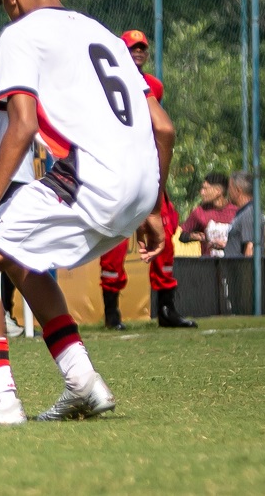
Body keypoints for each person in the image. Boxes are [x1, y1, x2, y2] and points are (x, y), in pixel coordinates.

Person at [0, 0, 175, 425]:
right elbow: (163, 128)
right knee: (21, 259)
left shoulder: (21, 33)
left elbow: (21, 127)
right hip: (142, 183)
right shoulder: (104, 34)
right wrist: (151, 207)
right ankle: (84, 385)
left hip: (91, 175)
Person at [98, 29, 195, 330]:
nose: (138, 52)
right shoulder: (105, 82)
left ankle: (167, 309)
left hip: (148, 167)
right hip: (119, 169)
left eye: (142, 48)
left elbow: (158, 130)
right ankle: (111, 313)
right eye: (132, 47)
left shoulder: (153, 85)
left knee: (165, 233)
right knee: (115, 242)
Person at [0, 70, 36, 338]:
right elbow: (25, 115)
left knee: (18, 251)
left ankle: (7, 311)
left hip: (22, 177)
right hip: (3, 176)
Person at [178, 172, 237, 257]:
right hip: (209, 266)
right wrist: (193, 236)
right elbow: (182, 236)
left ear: (218, 191)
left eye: (205, 189)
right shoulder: (199, 212)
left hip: (233, 264)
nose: (202, 192)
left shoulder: (236, 211)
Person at [220, 171, 265, 257]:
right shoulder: (244, 212)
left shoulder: (249, 214)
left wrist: (246, 270)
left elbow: (250, 247)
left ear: (238, 191)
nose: (228, 192)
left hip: (241, 269)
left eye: (230, 188)